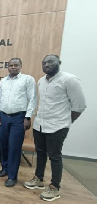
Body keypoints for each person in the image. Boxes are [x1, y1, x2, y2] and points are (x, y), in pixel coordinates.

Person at [23, 55, 86, 202]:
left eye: (50, 61)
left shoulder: (70, 80)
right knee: (40, 152)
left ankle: (54, 187)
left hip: (58, 126)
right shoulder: (41, 81)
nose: (47, 65)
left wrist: (65, 122)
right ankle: (38, 179)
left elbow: (80, 105)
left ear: (59, 63)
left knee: (55, 156)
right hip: (40, 124)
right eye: (44, 62)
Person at [0, 57, 37, 187]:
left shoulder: (27, 79)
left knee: (14, 147)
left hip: (19, 118)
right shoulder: (3, 81)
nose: (13, 67)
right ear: (8, 67)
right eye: (11, 65)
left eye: (16, 65)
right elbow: (0, 99)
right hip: (3, 116)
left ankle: (13, 176)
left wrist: (28, 117)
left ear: (20, 66)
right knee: (4, 144)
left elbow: (32, 99)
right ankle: (5, 168)